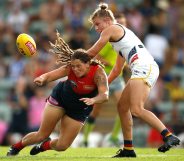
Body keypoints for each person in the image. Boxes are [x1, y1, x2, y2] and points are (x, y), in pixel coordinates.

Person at [86, 3, 180, 157]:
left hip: (144, 67)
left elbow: (93, 51)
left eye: (97, 24)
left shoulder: (112, 29)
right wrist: (103, 87)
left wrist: (75, 58)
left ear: (108, 21)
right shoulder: (119, 41)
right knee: (123, 107)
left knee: (136, 109)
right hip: (142, 68)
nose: (96, 28)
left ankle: (168, 136)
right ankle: (128, 149)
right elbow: (117, 70)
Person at [7, 32, 109, 156]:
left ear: (88, 63)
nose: (75, 69)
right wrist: (42, 78)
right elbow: (51, 75)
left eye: (79, 66)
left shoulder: (98, 73)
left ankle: (44, 146)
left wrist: (94, 100)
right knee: (42, 134)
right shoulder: (70, 68)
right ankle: (16, 147)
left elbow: (105, 95)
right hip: (60, 99)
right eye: (73, 66)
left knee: (62, 146)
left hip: (79, 108)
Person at [82, 13, 127, 147]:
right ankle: (85, 139)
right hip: (105, 78)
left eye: (123, 23)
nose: (121, 26)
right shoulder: (109, 41)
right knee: (96, 111)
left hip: (117, 79)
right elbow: (97, 57)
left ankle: (113, 136)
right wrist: (109, 63)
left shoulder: (123, 41)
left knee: (124, 107)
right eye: (119, 23)